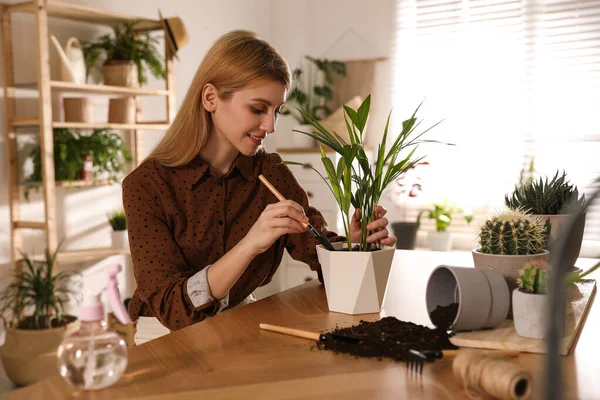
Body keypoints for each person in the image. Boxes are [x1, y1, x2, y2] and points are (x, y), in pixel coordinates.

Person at [122, 30, 397, 340]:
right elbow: (175, 311)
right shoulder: (146, 185)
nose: (270, 126)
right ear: (211, 98)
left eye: (276, 111)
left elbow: (319, 257)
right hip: (162, 335)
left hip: (239, 319)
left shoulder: (271, 172)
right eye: (257, 109)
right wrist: (250, 244)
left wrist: (351, 248)